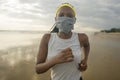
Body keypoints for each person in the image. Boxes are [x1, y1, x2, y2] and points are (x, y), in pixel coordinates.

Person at [36, 3, 90, 80]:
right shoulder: (47, 38)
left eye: (70, 16)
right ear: (56, 19)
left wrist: (85, 59)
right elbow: (38, 69)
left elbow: (87, 45)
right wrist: (55, 60)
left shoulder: (82, 37)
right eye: (61, 15)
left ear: (74, 20)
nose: (65, 18)